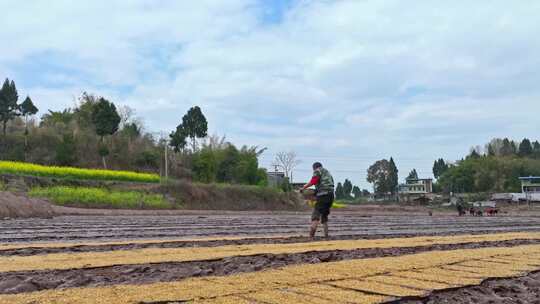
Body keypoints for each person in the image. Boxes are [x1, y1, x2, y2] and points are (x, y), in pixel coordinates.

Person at [301, 162, 335, 238]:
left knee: (315, 215)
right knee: (324, 216)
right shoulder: (328, 173)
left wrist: (303, 188)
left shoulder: (317, 171)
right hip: (331, 196)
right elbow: (326, 185)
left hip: (323, 195)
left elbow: (313, 181)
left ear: (314, 168)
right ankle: (326, 236)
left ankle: (311, 236)